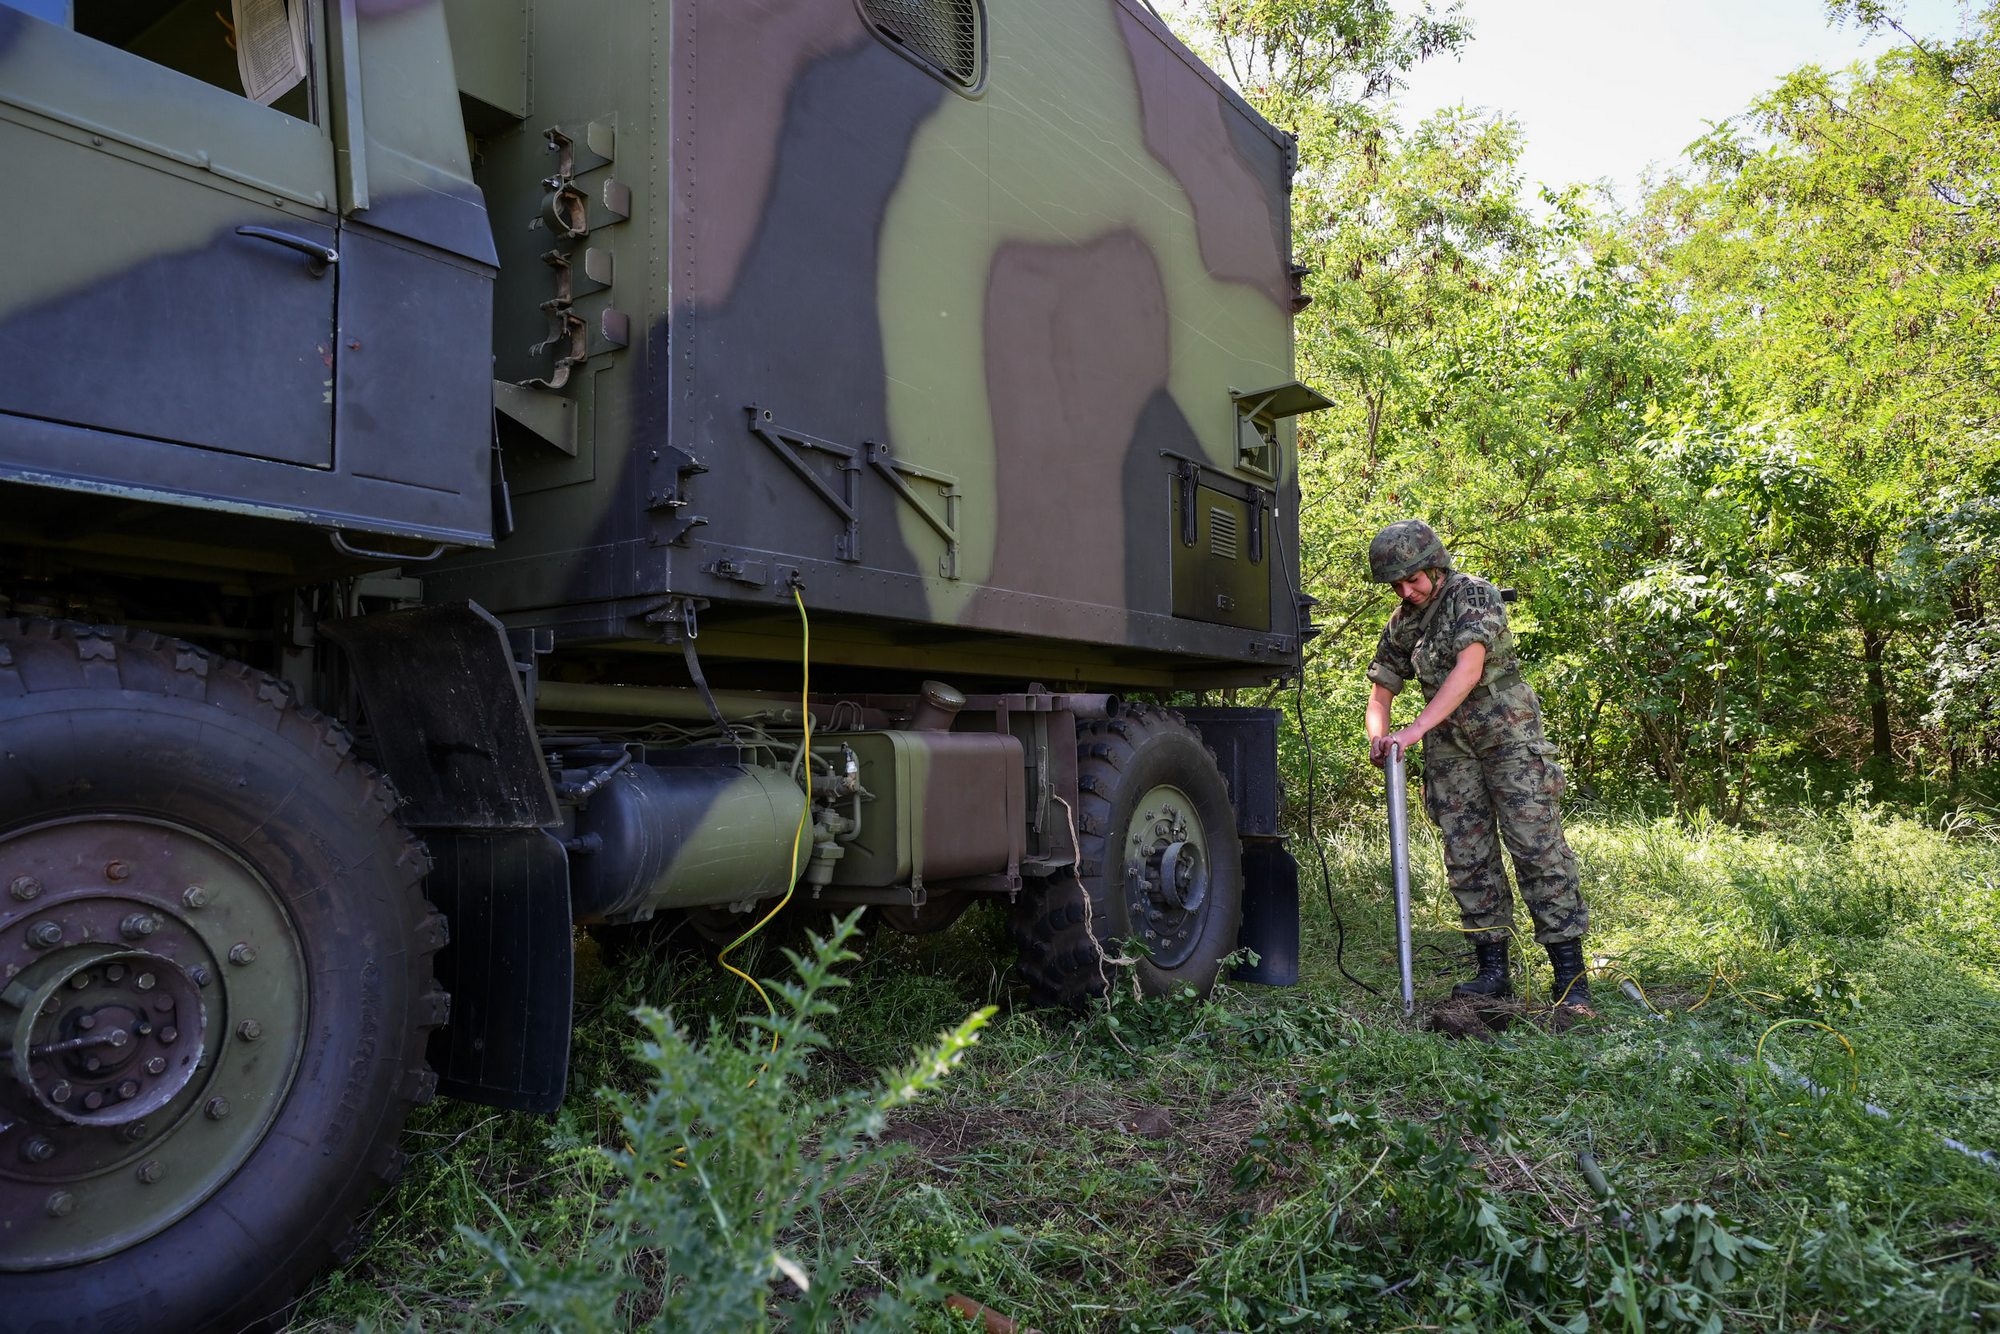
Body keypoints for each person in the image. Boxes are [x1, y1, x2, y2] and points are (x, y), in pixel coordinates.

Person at [1361, 519, 1593, 1012]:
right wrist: (1380, 738)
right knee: (1467, 854)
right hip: (1450, 748)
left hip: (1507, 734)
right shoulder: (1403, 622)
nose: (1407, 590)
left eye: (1414, 579)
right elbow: (1381, 690)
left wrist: (1413, 730)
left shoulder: (1473, 596)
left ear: (1435, 565)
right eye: (1397, 584)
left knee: (1536, 846)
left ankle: (1570, 979)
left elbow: (1468, 670)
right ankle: (1493, 972)